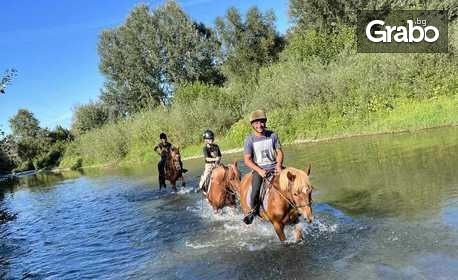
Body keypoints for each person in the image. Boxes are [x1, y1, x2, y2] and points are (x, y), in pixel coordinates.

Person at [243, 110, 283, 224]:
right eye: (256, 123)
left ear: (265, 122)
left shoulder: (272, 135)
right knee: (255, 190)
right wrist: (259, 170)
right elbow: (247, 160)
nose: (259, 125)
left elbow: (279, 152)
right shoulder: (249, 139)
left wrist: (279, 165)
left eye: (261, 122)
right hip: (259, 169)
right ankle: (253, 211)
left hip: (275, 167)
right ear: (252, 125)